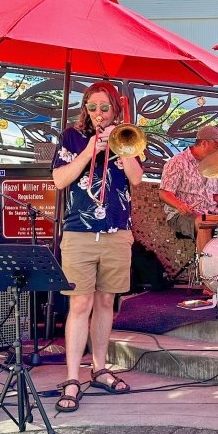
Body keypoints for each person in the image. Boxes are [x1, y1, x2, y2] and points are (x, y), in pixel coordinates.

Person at [52, 81, 144, 413]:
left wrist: (122, 148)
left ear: (115, 110)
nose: (98, 114)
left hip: (117, 231)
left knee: (106, 302)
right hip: (78, 232)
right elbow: (60, 180)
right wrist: (90, 150)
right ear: (85, 109)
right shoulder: (71, 137)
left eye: (105, 108)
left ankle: (100, 368)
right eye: (93, 107)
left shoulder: (127, 135)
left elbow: (135, 179)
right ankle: (73, 377)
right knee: (80, 304)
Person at [158, 126, 218, 242]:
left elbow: (216, 196)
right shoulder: (177, 162)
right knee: (205, 224)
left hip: (209, 210)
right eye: (217, 146)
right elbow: (164, 193)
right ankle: (204, 259)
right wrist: (179, 205)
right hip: (180, 215)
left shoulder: (214, 165)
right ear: (204, 143)